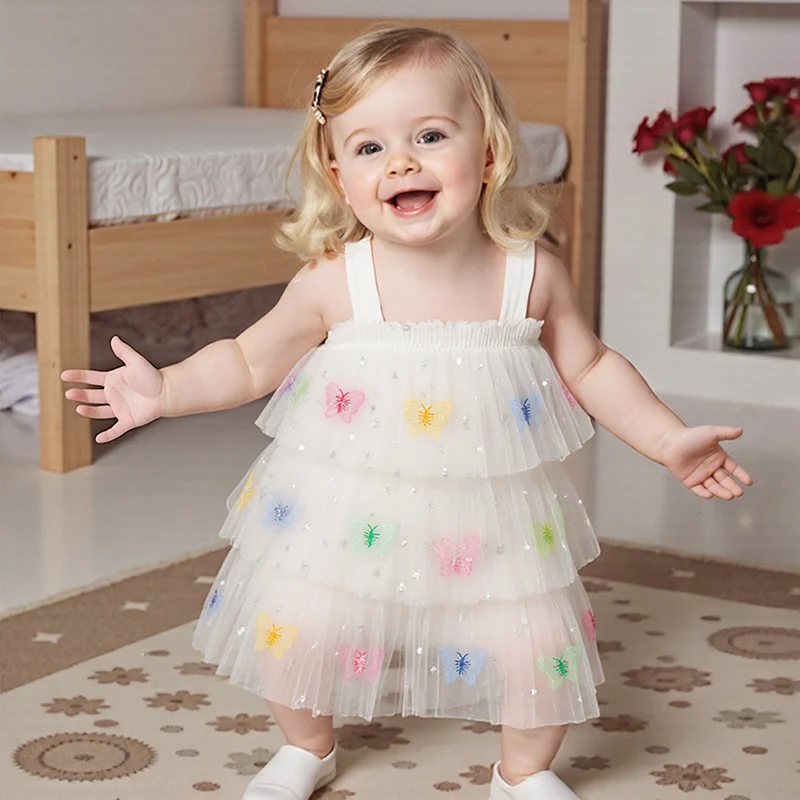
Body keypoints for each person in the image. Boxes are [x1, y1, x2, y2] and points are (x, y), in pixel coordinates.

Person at [61, 25, 753, 800]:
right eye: (369, 147)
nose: (400, 162)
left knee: (537, 648)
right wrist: (167, 388)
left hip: (490, 530)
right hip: (346, 522)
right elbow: (251, 360)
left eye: (429, 136)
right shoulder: (336, 278)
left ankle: (522, 773)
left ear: (488, 152)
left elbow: (590, 366)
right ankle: (308, 748)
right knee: (295, 627)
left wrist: (667, 438)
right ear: (338, 175)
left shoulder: (530, 273)